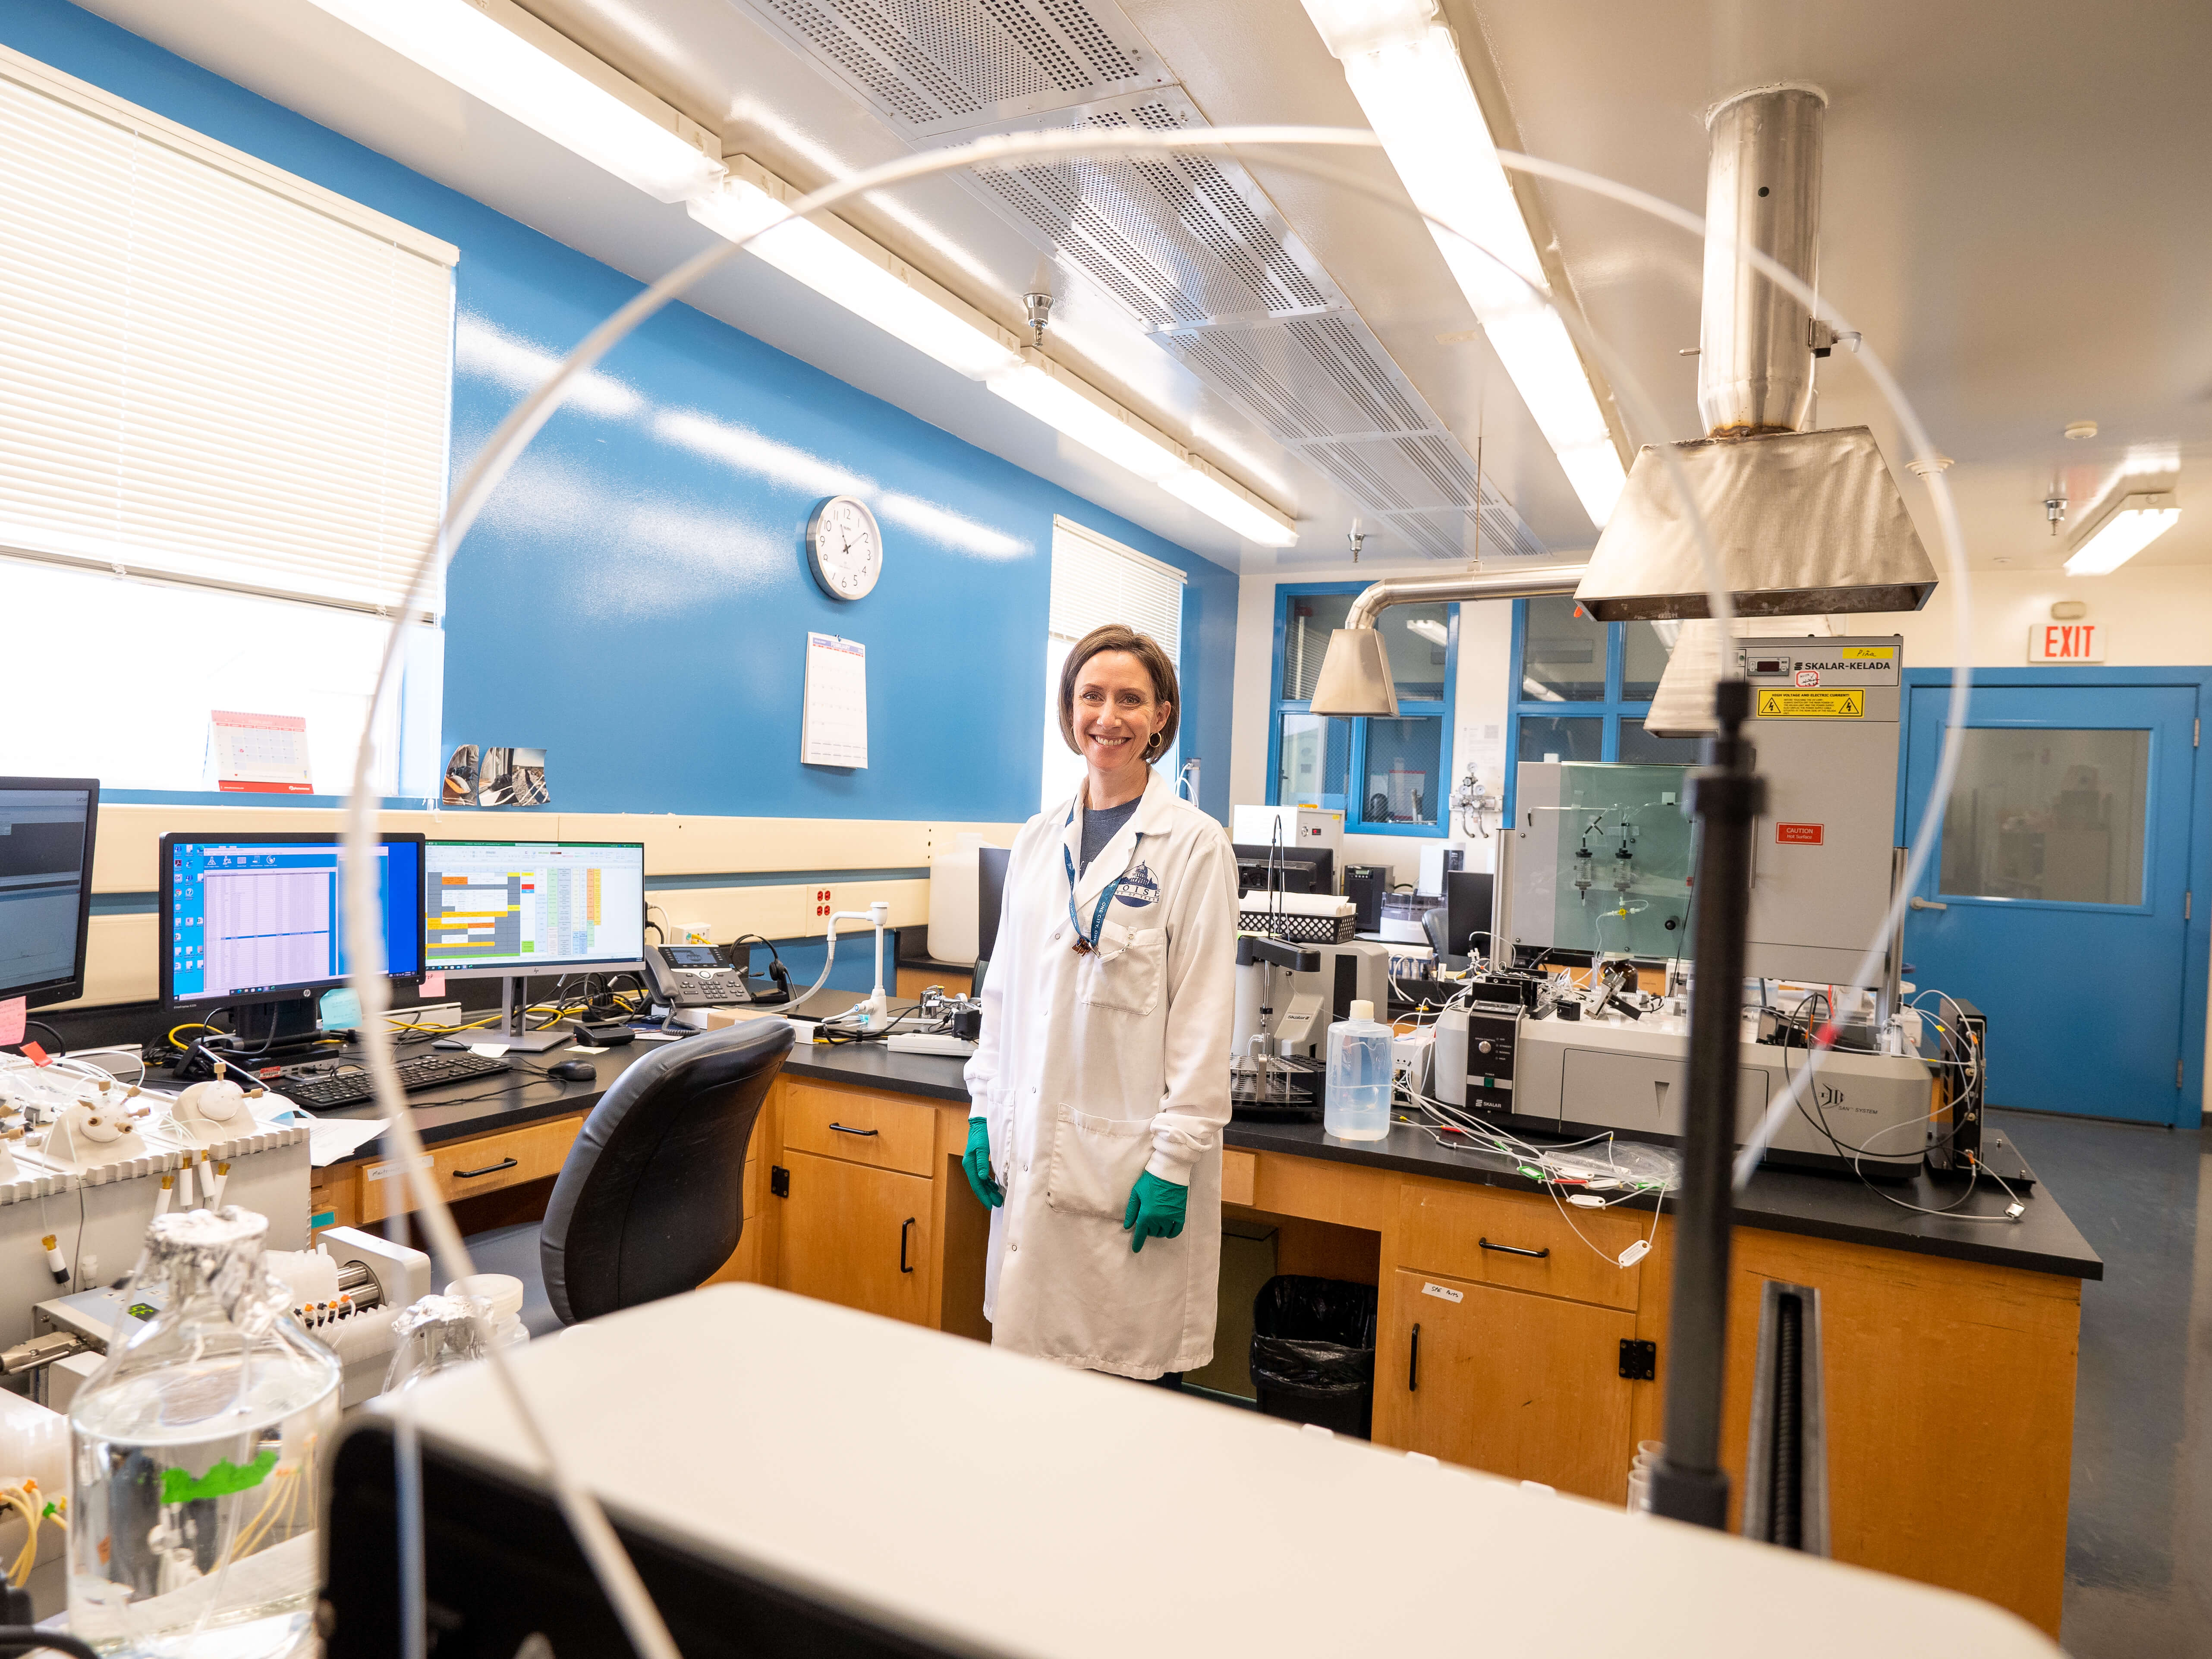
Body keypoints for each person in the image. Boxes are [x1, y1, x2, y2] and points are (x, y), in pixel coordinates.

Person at [960, 623, 1237, 1382]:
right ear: (1069, 707)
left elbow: (1205, 1019)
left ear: (1161, 716)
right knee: (1026, 1412)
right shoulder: (1036, 839)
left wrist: (1175, 1162)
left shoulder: (1195, 846)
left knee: (1123, 1426)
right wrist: (983, 1109)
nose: (1107, 717)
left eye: (1130, 699)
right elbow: (1005, 992)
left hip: (1126, 1174)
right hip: (1030, 1161)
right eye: (1092, 696)